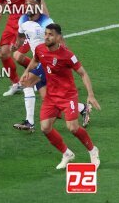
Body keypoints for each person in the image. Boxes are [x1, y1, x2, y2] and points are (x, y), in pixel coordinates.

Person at [21, 24, 100, 169]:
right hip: (51, 96)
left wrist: (91, 94)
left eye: (50, 34)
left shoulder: (67, 55)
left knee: (73, 128)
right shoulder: (40, 49)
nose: (46, 36)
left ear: (58, 38)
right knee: (45, 128)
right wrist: (27, 71)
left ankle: (93, 151)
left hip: (67, 96)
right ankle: (67, 154)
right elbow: (35, 60)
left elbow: (83, 73)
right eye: (45, 33)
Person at [11, 0, 91, 132]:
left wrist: (62, 58)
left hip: (48, 61)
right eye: (26, 4)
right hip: (38, 59)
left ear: (38, 6)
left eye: (31, 4)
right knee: (48, 99)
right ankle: (83, 108)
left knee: (27, 83)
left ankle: (29, 122)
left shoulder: (46, 22)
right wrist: (16, 44)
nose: (28, 6)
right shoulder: (23, 19)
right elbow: (20, 35)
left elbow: (60, 40)